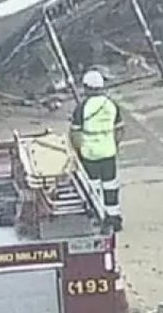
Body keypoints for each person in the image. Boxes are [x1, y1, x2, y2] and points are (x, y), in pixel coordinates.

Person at [70, 69, 124, 232]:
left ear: (86, 88)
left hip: (89, 153)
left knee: (93, 187)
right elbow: (120, 130)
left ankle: (97, 218)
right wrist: (112, 144)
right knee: (111, 186)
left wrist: (77, 151)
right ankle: (114, 218)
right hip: (108, 151)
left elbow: (75, 133)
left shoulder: (82, 107)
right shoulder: (111, 105)